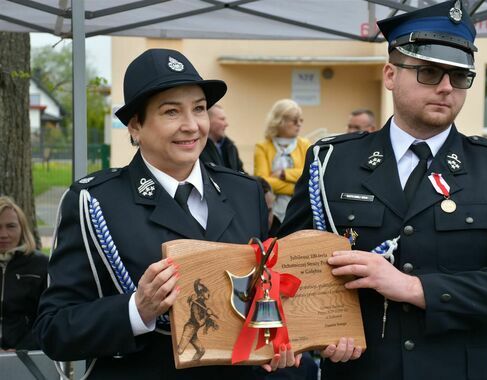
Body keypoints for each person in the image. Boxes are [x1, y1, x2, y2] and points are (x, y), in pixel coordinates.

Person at [278, 1, 487, 379]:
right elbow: (287, 269)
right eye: (428, 72)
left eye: (459, 76)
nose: (446, 87)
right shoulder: (331, 161)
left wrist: (414, 288)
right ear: (390, 74)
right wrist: (317, 329)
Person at [33, 48, 298, 379]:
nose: (191, 126)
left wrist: (283, 341)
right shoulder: (95, 202)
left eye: (199, 109)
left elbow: (266, 293)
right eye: (171, 112)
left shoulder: (245, 193)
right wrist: (136, 310)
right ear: (135, 126)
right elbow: (54, 330)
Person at [0, 196, 48, 351]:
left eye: (11, 226)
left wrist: (22, 348)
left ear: (22, 228)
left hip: (27, 356)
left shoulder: (41, 265)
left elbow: (49, 317)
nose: (3, 234)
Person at [254, 99, 311, 227]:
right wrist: (297, 187)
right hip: (270, 212)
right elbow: (263, 183)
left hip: (300, 209)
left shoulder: (305, 145)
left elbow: (309, 175)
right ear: (279, 121)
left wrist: (283, 174)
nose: (299, 124)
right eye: (294, 120)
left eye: (301, 120)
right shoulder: (262, 147)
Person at [200, 104, 245, 172]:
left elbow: (242, 174)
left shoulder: (231, 147)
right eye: (222, 119)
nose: (226, 124)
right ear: (208, 121)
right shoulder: (199, 149)